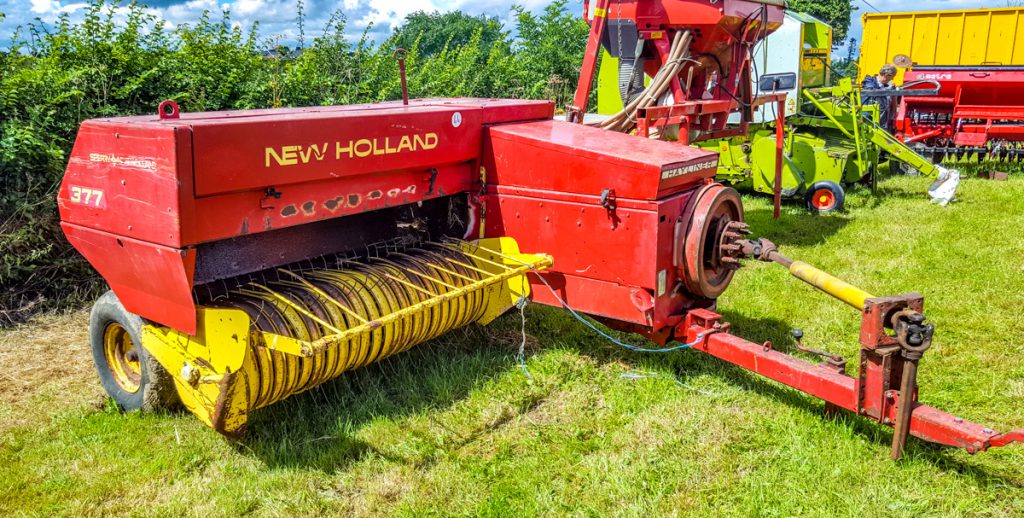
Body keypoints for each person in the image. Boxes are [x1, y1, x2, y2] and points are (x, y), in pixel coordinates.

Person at [862, 63, 898, 131]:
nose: (892, 78)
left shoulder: (888, 86)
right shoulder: (869, 81)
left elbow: (893, 105)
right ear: (886, 75)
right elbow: (871, 91)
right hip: (868, 122)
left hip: (883, 124)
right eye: (892, 76)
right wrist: (888, 89)